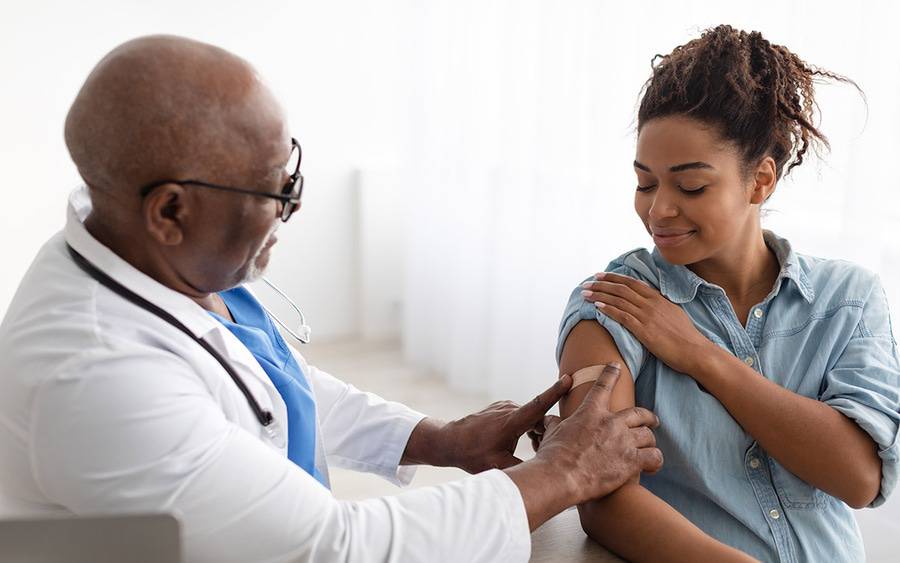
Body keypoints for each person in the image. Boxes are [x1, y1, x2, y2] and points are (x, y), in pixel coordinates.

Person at [0, 35, 663, 562]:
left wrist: (437, 438)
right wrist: (562, 472)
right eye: (277, 191)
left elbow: (271, 386)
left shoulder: (138, 250)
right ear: (170, 210)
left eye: (292, 170)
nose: (292, 205)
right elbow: (334, 546)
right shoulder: (96, 375)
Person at [556, 25, 900, 562]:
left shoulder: (849, 300)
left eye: (690, 186)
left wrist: (702, 358)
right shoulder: (614, 304)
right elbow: (601, 498)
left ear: (760, 181)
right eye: (645, 183)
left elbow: (858, 478)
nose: (658, 209)